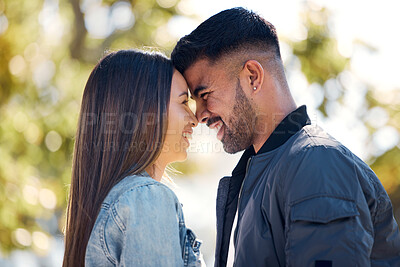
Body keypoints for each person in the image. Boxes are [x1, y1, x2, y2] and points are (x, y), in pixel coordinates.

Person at [171, 7, 400, 267]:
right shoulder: (263, 172)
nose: (199, 116)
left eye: (204, 95)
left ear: (252, 77)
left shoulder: (316, 164)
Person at [62, 50, 204, 267]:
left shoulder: (109, 201)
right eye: (183, 102)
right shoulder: (146, 198)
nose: (194, 119)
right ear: (147, 114)